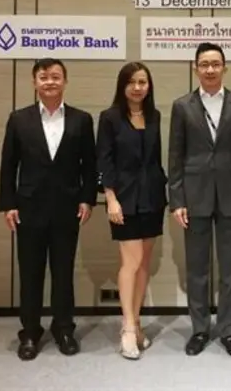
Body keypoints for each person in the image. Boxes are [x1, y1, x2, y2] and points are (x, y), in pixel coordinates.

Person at [0, 58, 97, 361]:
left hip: (67, 208)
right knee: (30, 273)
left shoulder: (81, 120)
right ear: (34, 82)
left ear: (65, 81)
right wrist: (8, 204)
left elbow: (90, 165)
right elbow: (8, 165)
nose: (50, 82)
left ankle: (64, 329)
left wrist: (87, 198)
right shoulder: (19, 119)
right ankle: (30, 332)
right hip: (28, 208)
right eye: (44, 77)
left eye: (55, 76)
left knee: (63, 273)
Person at [168, 42, 231, 357]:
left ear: (224, 68)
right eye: (204, 64)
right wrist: (177, 200)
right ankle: (200, 330)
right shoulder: (182, 106)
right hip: (195, 196)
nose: (210, 69)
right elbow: (175, 156)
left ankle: (229, 331)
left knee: (230, 270)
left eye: (215, 64)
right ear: (196, 69)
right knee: (197, 269)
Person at [96, 61, 167, 360]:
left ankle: (136, 322)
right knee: (131, 262)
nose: (137, 88)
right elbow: (104, 160)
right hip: (123, 199)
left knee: (144, 263)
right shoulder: (110, 117)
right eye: (132, 82)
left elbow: (154, 159)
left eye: (143, 82)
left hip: (152, 197)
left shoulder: (154, 116)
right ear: (122, 85)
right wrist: (110, 197)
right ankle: (126, 327)